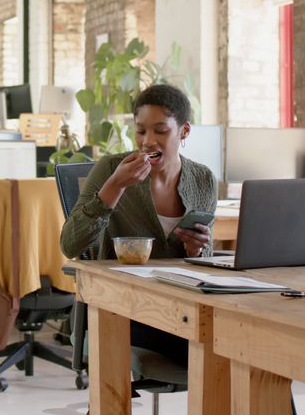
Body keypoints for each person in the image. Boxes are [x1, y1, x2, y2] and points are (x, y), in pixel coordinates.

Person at [60, 83, 217, 367]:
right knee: (218, 348)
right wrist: (114, 187)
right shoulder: (111, 169)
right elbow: (70, 244)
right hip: (120, 308)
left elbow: (204, 263)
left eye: (160, 130)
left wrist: (196, 250)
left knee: (244, 346)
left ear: (184, 131)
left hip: (179, 308)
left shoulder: (203, 180)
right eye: (141, 130)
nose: (147, 141)